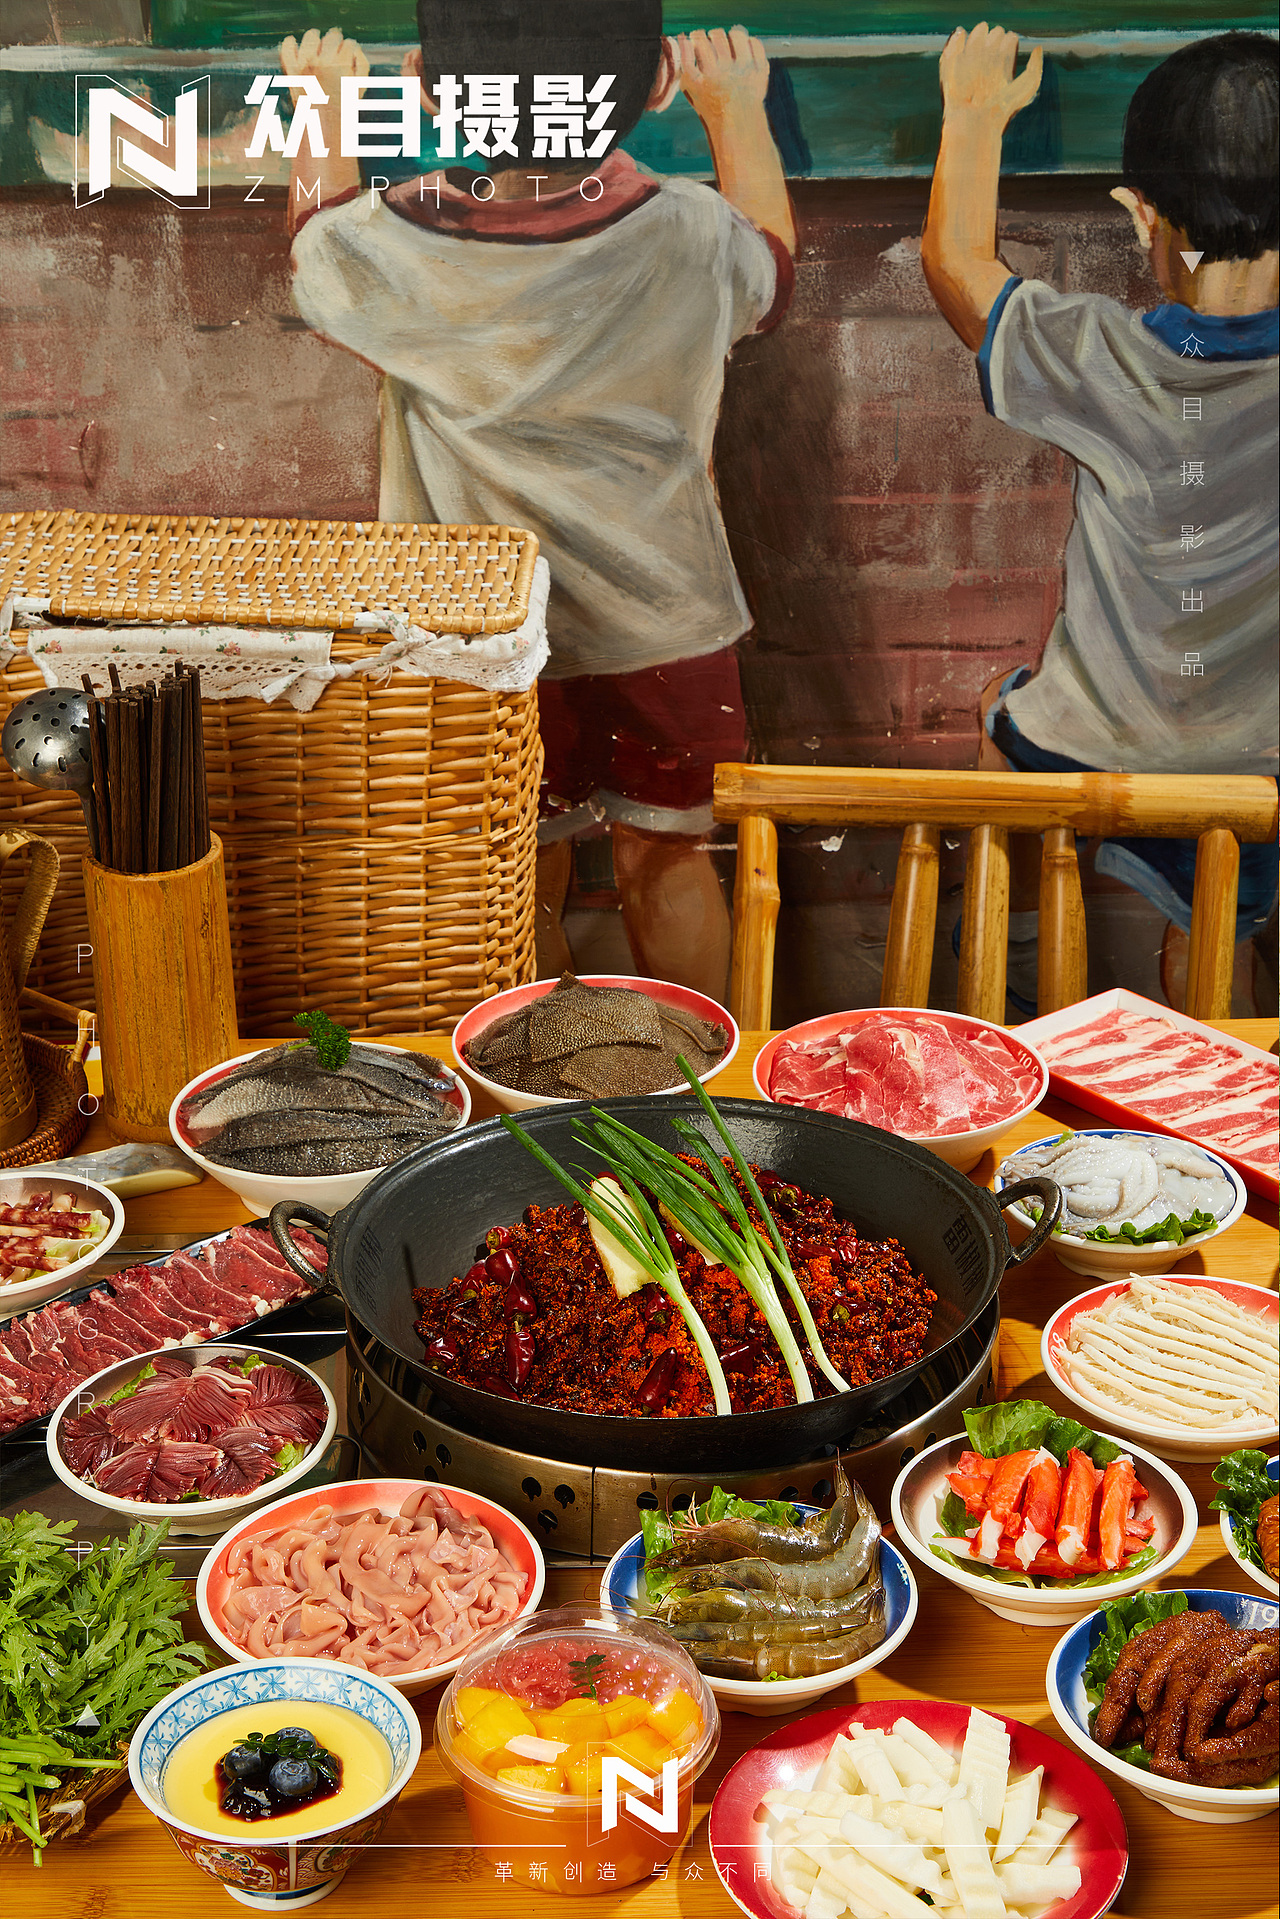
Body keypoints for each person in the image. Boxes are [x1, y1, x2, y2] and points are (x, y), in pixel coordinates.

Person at [281, 6, 797, 1001]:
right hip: (665, 618)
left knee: (510, 863)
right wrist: (734, 112)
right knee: (669, 855)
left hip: (480, 630)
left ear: (429, 85)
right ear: (656, 82)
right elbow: (768, 268)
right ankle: (709, 1093)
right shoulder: (690, 231)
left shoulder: (388, 238)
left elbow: (313, 248)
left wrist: (320, 109)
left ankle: (533, 1080)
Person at [921, 26, 1278, 1012]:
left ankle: (1002, 997)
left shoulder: (1096, 354)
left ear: (1140, 218)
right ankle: (1216, 1042)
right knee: (1218, 917)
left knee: (1006, 718)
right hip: (1261, 776)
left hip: (1093, 745)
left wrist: (973, 108)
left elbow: (954, 261)